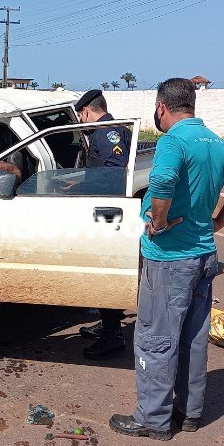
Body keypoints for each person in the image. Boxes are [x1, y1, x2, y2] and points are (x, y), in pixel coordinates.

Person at [109, 78, 224, 441]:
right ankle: (188, 412)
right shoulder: (215, 143)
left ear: (162, 106)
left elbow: (161, 183)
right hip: (204, 255)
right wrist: (217, 222)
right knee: (192, 335)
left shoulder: (172, 141)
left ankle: (152, 419)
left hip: (171, 258)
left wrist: (158, 221)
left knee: (155, 337)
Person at [71, 89, 131, 360]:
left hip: (108, 212)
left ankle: (112, 337)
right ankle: (109, 324)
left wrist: (82, 184)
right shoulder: (112, 128)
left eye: (80, 115)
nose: (81, 121)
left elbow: (113, 171)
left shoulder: (107, 132)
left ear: (86, 111)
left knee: (105, 272)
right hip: (107, 209)